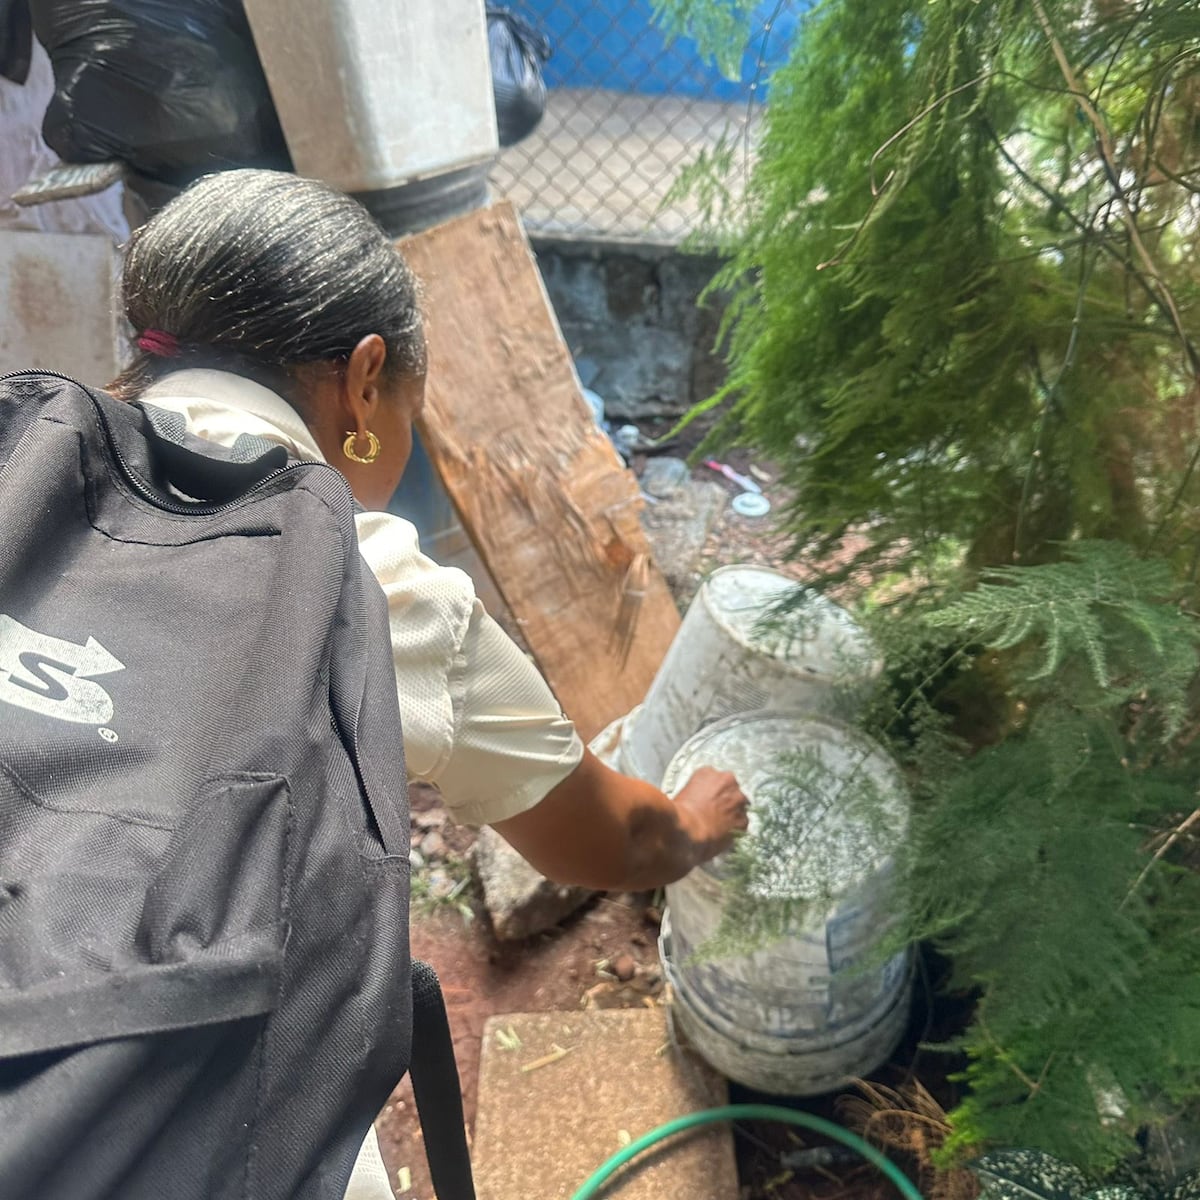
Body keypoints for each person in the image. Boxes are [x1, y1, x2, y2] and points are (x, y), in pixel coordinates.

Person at [108, 168, 749, 1198]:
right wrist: (697, 822)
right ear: (365, 380)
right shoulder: (363, 586)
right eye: (408, 399)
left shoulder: (29, 485)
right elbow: (613, 840)